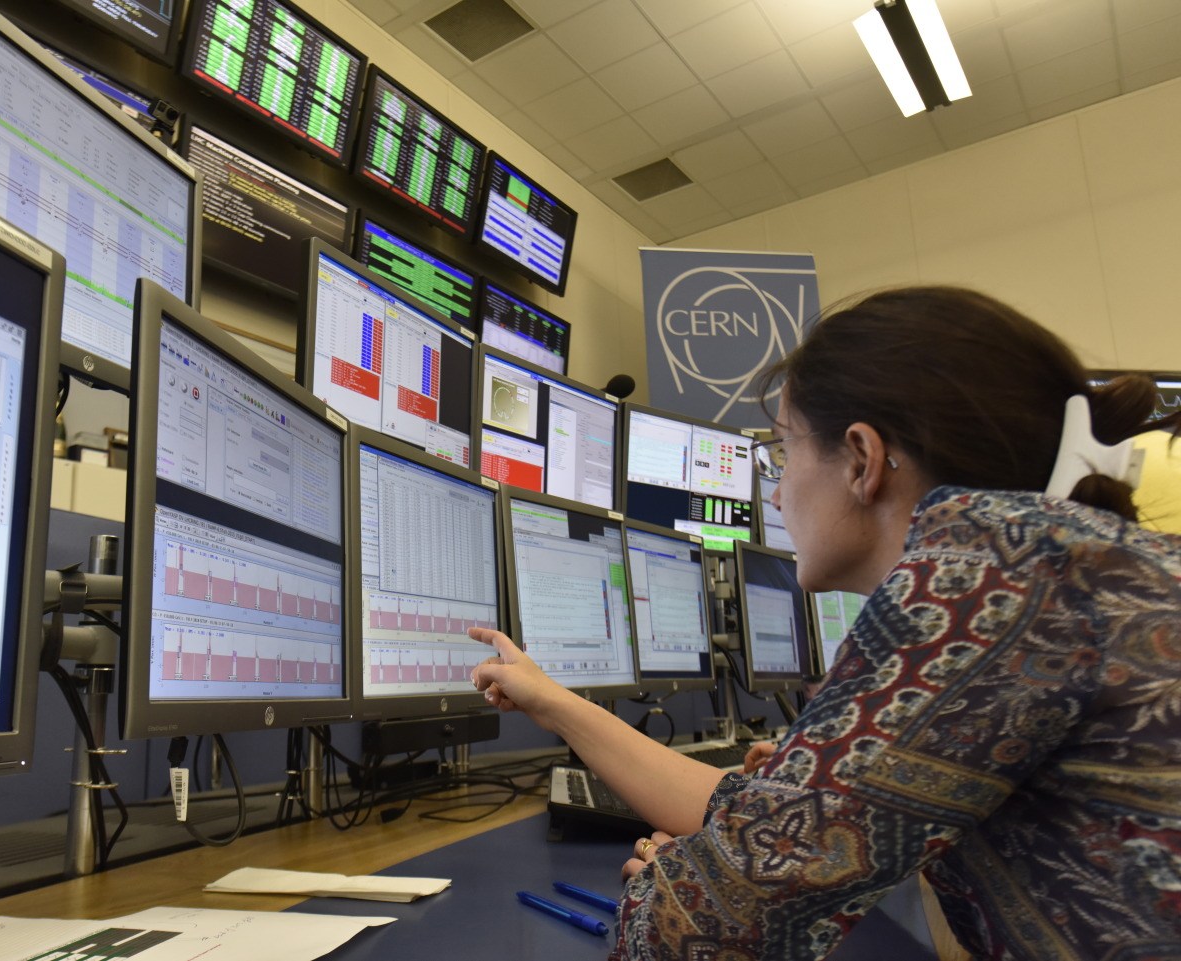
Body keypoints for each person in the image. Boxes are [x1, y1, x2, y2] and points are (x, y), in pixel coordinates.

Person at [469, 286, 1181, 961]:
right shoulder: (1060, 561)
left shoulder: (982, 574)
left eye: (783, 451)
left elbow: (697, 934)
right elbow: (771, 820)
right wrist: (553, 701)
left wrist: (674, 882)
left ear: (864, 460)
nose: (776, 493)